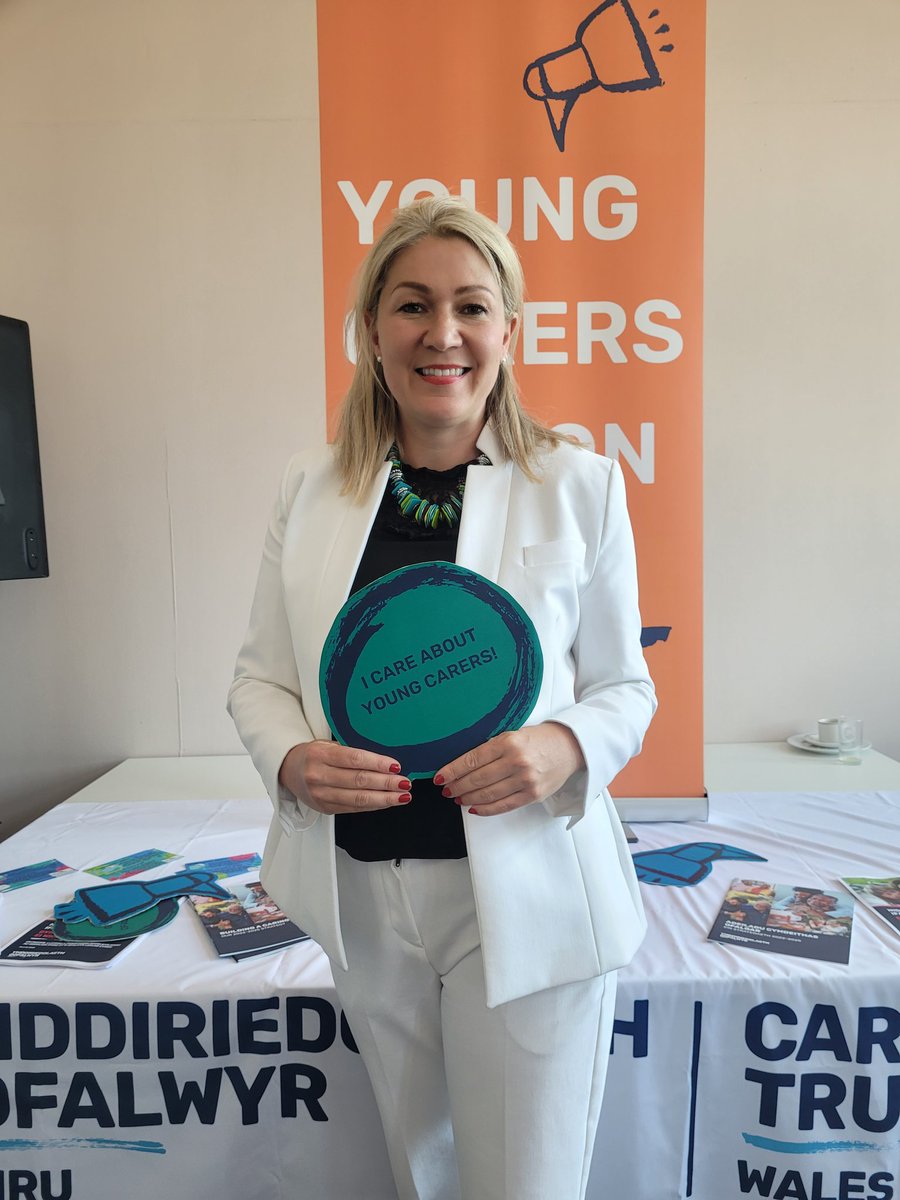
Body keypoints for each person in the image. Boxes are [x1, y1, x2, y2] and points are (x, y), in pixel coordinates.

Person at [227, 196, 656, 1200]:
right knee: (418, 1179)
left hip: (528, 888)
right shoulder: (313, 486)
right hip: (367, 897)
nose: (443, 334)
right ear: (372, 329)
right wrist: (291, 759)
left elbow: (625, 687)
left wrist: (563, 744)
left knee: (528, 1187)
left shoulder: (577, 483)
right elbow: (261, 677)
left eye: (472, 306)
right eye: (413, 306)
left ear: (509, 329)